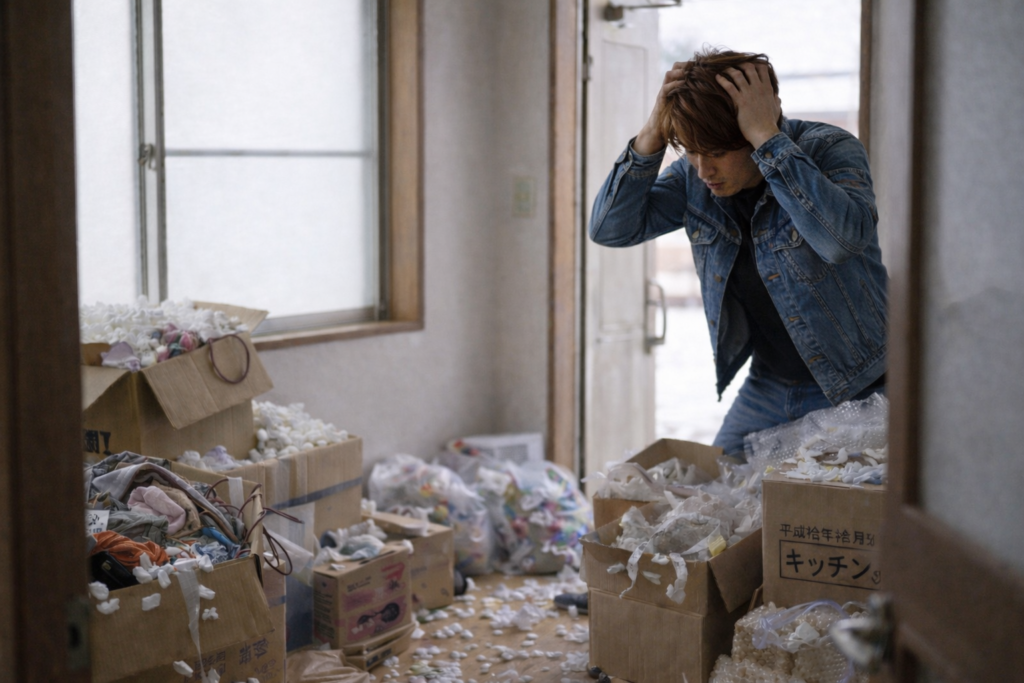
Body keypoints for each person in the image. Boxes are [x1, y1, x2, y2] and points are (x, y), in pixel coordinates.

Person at [589, 48, 887, 458]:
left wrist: (767, 137)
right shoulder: (694, 179)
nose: (703, 169)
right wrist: (652, 132)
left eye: (715, 152)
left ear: (754, 127)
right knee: (715, 492)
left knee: (832, 497)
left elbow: (840, 241)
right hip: (768, 386)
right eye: (691, 151)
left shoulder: (829, 149)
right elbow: (610, 229)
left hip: (861, 385)